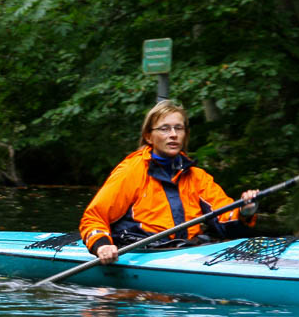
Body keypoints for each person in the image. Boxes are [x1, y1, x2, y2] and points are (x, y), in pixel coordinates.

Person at [80, 100, 259, 265]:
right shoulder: (131, 171)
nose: (173, 135)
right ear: (149, 137)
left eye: (178, 128)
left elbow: (224, 218)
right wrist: (102, 246)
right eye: (165, 129)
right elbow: (93, 218)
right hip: (142, 252)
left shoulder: (197, 176)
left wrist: (244, 212)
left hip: (189, 251)